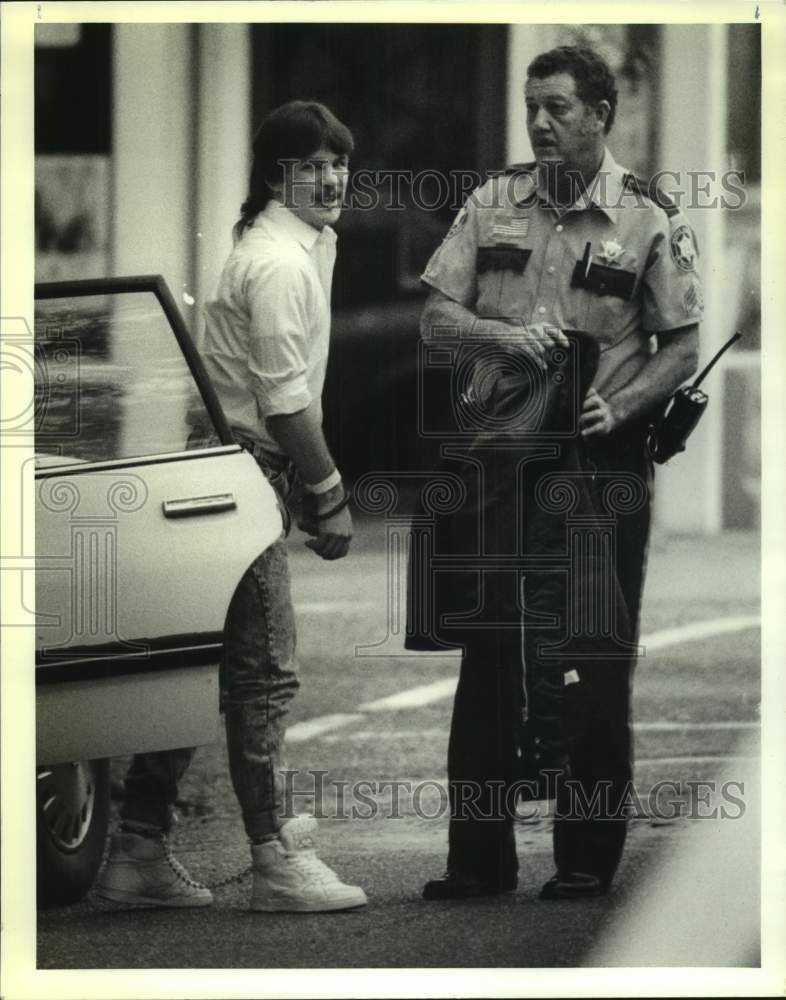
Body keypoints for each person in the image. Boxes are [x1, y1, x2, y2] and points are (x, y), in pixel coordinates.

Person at [412, 46, 702, 900]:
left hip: (594, 461)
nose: (540, 123)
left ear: (601, 114)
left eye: (559, 109)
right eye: (532, 107)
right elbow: (436, 318)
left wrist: (625, 406)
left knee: (591, 658)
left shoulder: (648, 218)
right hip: (496, 459)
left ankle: (583, 859)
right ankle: (477, 861)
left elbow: (679, 347)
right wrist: (504, 339)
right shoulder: (491, 201)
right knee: (488, 652)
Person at [95, 101, 367, 912]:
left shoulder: (291, 245)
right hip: (245, 470)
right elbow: (285, 404)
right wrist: (330, 495)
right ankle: (274, 857)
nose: (329, 178)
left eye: (339, 162)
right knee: (264, 673)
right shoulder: (279, 262)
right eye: (310, 165)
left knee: (212, 662)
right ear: (275, 176)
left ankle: (138, 849)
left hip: (229, 466)